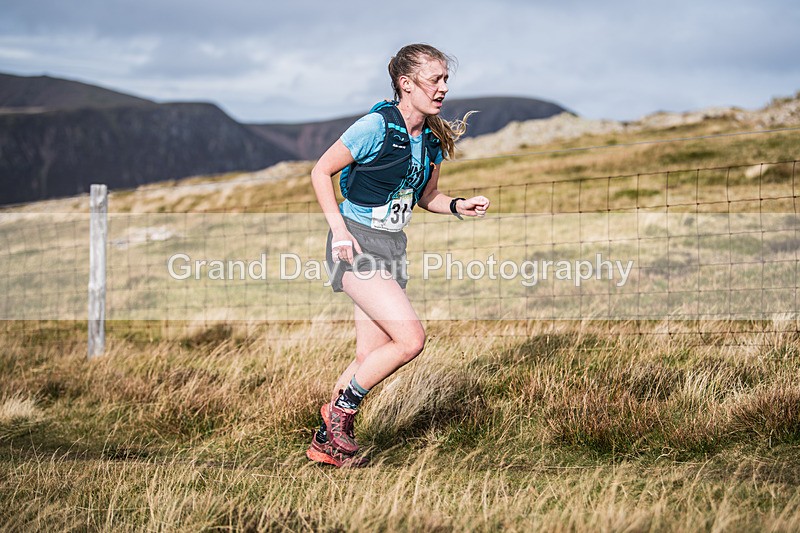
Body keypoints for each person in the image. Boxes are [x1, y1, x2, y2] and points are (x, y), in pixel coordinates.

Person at [306, 43, 491, 468]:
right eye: (435, 79)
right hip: (355, 242)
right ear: (406, 84)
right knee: (410, 340)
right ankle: (341, 412)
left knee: (367, 358)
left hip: (392, 247)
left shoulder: (432, 138)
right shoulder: (375, 126)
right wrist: (339, 231)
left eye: (446, 79)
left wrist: (457, 205)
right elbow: (320, 171)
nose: (443, 88)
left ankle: (327, 445)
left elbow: (426, 196)